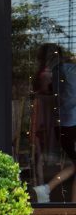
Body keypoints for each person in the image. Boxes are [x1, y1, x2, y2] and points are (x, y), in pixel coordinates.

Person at [33, 44, 76, 203]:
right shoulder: (69, 71)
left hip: (63, 127)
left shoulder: (56, 73)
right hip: (72, 126)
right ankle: (48, 189)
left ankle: (48, 190)